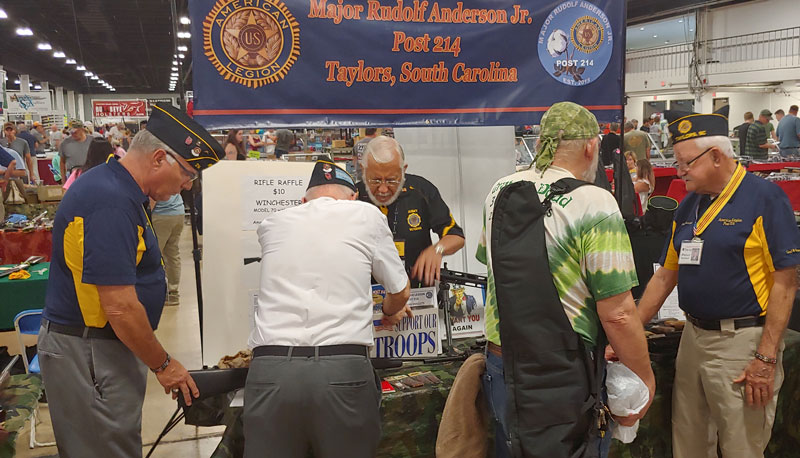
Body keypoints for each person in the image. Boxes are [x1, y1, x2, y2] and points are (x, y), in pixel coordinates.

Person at [38, 103, 222, 457]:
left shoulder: (119, 187)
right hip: (91, 352)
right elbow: (120, 307)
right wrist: (164, 365)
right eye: (187, 173)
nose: (187, 185)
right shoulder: (110, 201)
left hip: (103, 349)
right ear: (158, 159)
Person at [476, 101, 655, 458]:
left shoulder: (499, 191)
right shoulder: (594, 203)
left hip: (502, 361)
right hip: (562, 373)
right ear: (591, 146)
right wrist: (644, 380)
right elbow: (618, 313)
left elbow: (490, 267)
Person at [637, 105, 800, 458]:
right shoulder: (688, 205)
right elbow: (666, 274)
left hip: (742, 345)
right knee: (689, 443)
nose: (678, 171)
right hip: (693, 339)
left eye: (685, 162)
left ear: (715, 156)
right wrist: (630, 332)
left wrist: (766, 357)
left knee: (742, 445)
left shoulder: (764, 199)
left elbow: (786, 282)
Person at [244, 160, 411, 458]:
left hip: (271, 369)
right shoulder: (365, 215)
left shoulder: (272, 224)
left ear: (303, 201)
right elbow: (400, 291)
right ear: (353, 198)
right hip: (342, 369)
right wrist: (387, 312)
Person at [355, 136, 465, 286]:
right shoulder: (352, 197)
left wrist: (438, 249)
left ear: (403, 170)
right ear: (363, 170)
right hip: (369, 295)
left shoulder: (421, 190)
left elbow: (456, 236)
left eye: (392, 180)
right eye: (375, 180)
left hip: (418, 292)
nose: (383, 189)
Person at [152, 193, 185, 306]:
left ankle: (154, 292)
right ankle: (173, 293)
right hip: (178, 212)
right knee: (173, 254)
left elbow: (153, 198)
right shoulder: (176, 174)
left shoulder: (155, 174)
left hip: (161, 215)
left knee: (154, 254)